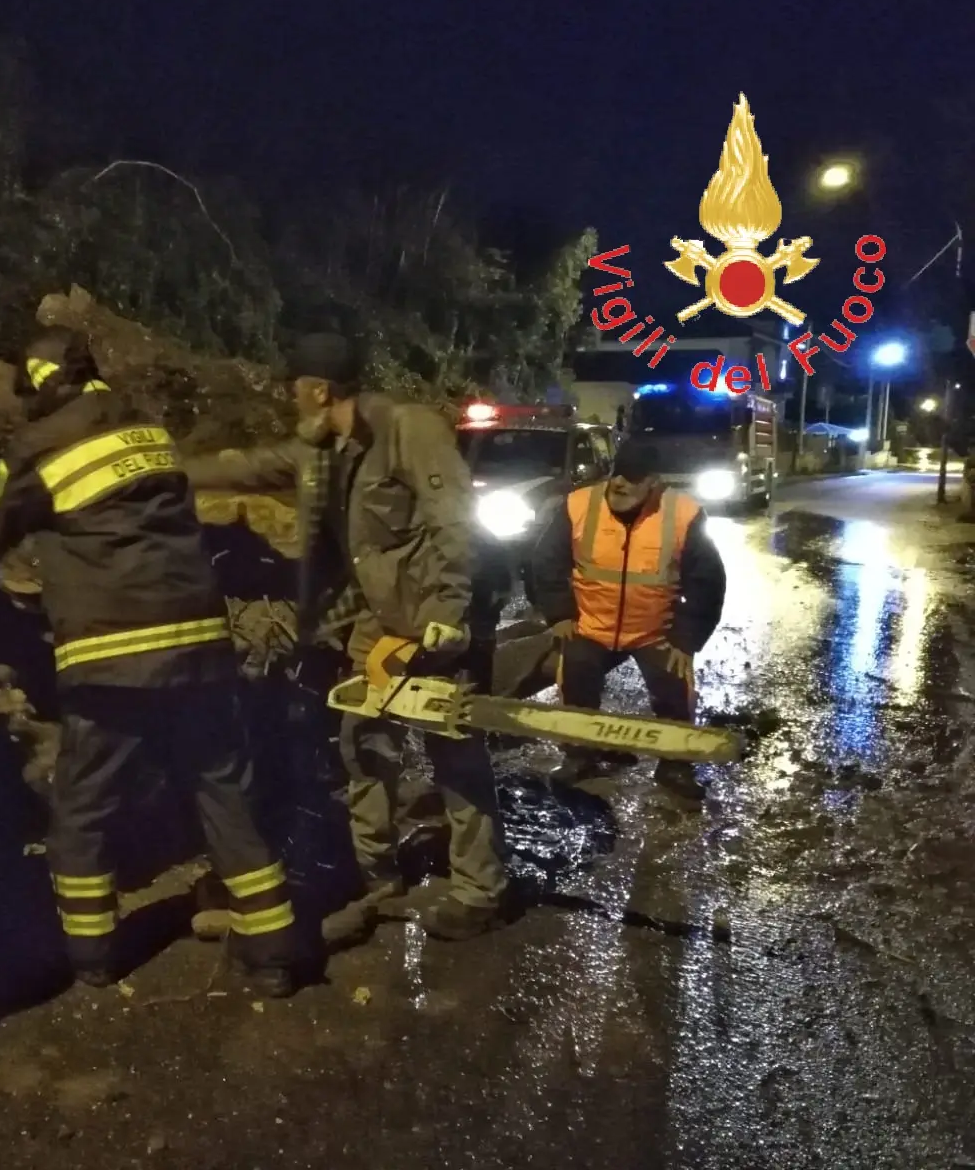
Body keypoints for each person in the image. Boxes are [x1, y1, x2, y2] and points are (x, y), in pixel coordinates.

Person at [0, 327, 297, 997]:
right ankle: (277, 956)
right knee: (224, 793)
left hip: (113, 657)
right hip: (201, 647)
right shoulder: (150, 433)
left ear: (43, 380)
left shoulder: (42, 446)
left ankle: (92, 956)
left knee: (84, 806)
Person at [184, 332, 510, 943]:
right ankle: (377, 870)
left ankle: (479, 888)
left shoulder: (408, 430)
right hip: (378, 622)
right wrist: (166, 470)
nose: (291, 400)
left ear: (318, 388)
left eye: (295, 390)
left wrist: (447, 611)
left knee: (453, 752)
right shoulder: (324, 448)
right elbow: (251, 467)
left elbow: (454, 520)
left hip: (437, 621)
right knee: (364, 745)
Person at [529, 439, 727, 801]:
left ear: (653, 481)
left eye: (632, 477)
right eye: (616, 473)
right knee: (576, 679)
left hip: (654, 631)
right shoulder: (578, 505)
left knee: (674, 687)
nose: (619, 482)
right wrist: (560, 614)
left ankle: (675, 765)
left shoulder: (682, 513)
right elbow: (546, 563)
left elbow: (707, 582)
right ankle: (580, 755)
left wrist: (685, 639)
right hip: (590, 624)